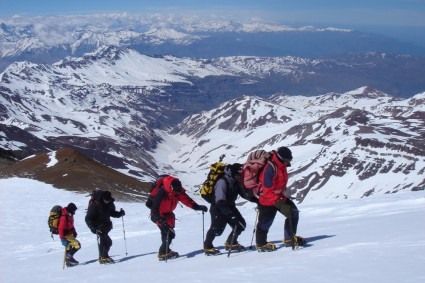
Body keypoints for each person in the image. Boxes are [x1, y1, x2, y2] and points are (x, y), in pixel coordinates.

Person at [255, 146, 304, 252]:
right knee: (265, 222)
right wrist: (278, 202)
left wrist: (283, 194)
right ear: (282, 158)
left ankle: (289, 238)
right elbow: (267, 189)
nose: (288, 162)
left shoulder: (281, 166)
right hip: (267, 199)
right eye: (287, 160)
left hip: (279, 197)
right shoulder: (270, 168)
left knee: (293, 212)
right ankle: (261, 244)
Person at [150, 175, 208, 261]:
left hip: (168, 215)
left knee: (167, 233)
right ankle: (163, 253)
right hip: (158, 215)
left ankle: (166, 250)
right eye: (176, 191)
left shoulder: (178, 191)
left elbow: (187, 200)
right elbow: (154, 208)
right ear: (171, 188)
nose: (177, 193)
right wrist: (160, 220)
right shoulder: (162, 191)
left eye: (178, 190)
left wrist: (197, 207)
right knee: (168, 233)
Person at [203, 163, 253, 255]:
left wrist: (256, 200)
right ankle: (208, 247)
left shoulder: (235, 181)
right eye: (239, 174)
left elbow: (243, 193)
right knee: (216, 229)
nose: (240, 176)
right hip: (218, 207)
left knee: (240, 224)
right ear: (233, 173)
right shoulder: (222, 182)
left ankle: (231, 242)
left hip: (229, 206)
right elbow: (219, 201)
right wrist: (230, 214)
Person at [85, 190, 125, 264]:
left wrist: (120, 214)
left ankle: (103, 257)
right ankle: (104, 257)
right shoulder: (95, 205)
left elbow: (112, 213)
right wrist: (92, 227)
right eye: (106, 200)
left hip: (106, 226)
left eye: (108, 200)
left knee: (104, 242)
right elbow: (88, 218)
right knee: (108, 242)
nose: (107, 201)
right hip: (98, 227)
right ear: (102, 198)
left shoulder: (109, 203)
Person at [58, 202, 80, 267]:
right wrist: (62, 239)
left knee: (69, 247)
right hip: (66, 236)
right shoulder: (64, 217)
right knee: (77, 245)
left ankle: (68, 263)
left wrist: (74, 231)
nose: (75, 212)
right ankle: (69, 257)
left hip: (70, 234)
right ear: (71, 210)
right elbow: (60, 229)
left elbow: (71, 224)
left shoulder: (69, 215)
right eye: (74, 210)